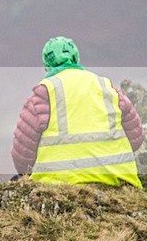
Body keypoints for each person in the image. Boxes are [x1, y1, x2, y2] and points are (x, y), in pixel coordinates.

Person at [11, 36, 143, 187]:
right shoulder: (106, 86)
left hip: (59, 183)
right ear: (76, 58)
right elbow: (136, 138)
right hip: (117, 179)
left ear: (47, 65)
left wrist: (26, 174)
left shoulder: (43, 94)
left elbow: (22, 154)